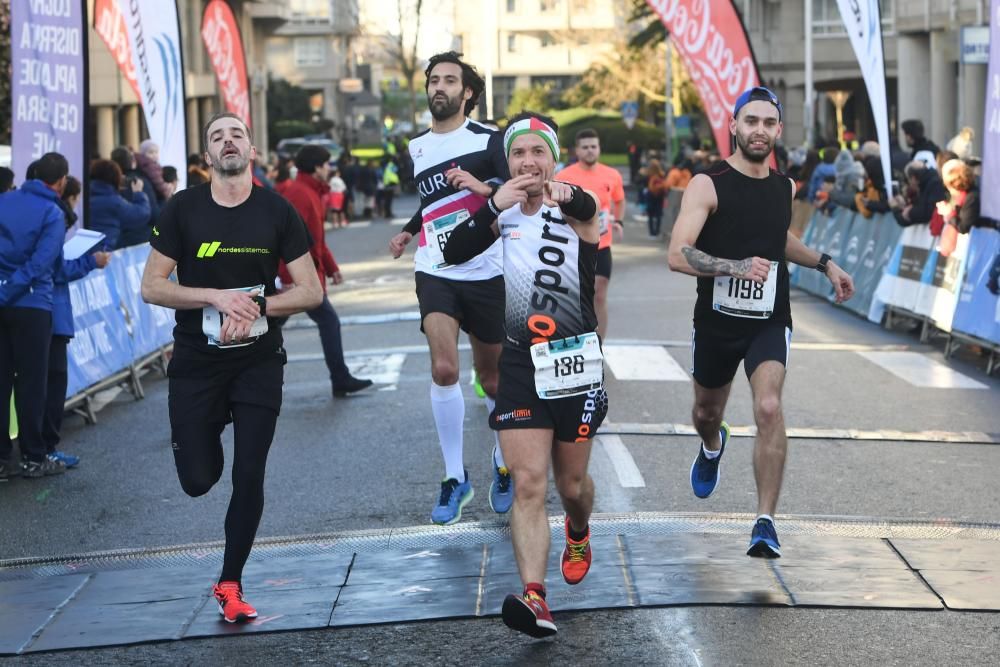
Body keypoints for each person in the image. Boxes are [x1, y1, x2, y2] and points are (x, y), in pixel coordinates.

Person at [140, 112, 324, 623]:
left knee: (250, 475)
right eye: (217, 137)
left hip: (258, 362)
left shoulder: (277, 211)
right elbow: (151, 286)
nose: (228, 142)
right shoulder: (183, 209)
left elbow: (311, 291)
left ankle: (230, 581)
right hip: (198, 363)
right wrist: (214, 297)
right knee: (199, 479)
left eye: (236, 134)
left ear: (251, 150)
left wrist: (255, 306)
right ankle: (209, 429)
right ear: (206, 157)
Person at [666, 87, 855, 558]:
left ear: (778, 130)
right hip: (716, 320)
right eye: (750, 121)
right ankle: (712, 446)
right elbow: (677, 253)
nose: (759, 131)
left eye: (769, 123)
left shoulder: (783, 186)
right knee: (706, 413)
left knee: (769, 407)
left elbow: (779, 238)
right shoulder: (707, 184)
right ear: (733, 126)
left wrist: (824, 263)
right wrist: (734, 266)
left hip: (769, 317)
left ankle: (765, 521)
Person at [442, 111, 607, 638]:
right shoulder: (504, 210)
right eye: (519, 154)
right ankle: (535, 597)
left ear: (552, 157)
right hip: (520, 363)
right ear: (508, 161)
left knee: (572, 483)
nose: (528, 162)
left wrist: (561, 191)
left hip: (575, 362)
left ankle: (578, 529)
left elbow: (590, 208)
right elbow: (454, 250)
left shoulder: (573, 206)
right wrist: (491, 203)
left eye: (538, 152)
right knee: (530, 483)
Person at [388, 51, 514, 524]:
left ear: (468, 93)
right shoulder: (418, 144)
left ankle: (504, 461)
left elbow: (510, 184)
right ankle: (455, 476)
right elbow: (432, 199)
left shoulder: (489, 137)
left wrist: (482, 187)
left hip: (487, 269)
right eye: (433, 80)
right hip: (436, 266)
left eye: (449, 81)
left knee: (494, 379)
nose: (438, 87)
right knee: (444, 369)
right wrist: (408, 228)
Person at [278, 144, 372, 398]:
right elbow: (287, 240)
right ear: (316, 167)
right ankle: (340, 379)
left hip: (307, 275)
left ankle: (340, 378)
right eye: (326, 164)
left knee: (272, 325)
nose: (330, 169)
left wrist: (331, 268)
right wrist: (288, 279)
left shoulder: (310, 191)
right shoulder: (300, 194)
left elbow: (315, 239)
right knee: (326, 321)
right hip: (302, 278)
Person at [0, 153, 71, 480]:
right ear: (61, 181)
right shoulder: (52, 212)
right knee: (31, 384)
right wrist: (11, 288)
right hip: (32, 305)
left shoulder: (5, 200)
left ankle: (2, 458)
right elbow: (42, 263)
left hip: (4, 299)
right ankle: (33, 456)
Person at [43, 177, 112, 468]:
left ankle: (30, 451)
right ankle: (42, 450)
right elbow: (56, 269)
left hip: (30, 309)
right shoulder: (50, 216)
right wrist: (90, 262)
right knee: (50, 381)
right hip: (47, 311)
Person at [555, 128, 625, 338]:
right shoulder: (563, 176)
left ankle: (598, 345)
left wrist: (618, 220)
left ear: (599, 148)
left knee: (599, 296)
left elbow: (619, 200)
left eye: (593, 147)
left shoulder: (612, 175)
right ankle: (570, 339)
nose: (590, 151)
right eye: (585, 147)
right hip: (571, 247)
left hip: (602, 245)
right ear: (577, 150)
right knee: (572, 298)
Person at [87, 159, 151, 249]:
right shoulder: (113, 201)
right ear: (115, 178)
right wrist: (138, 192)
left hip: (84, 251)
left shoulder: (84, 197)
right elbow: (141, 214)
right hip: (105, 253)